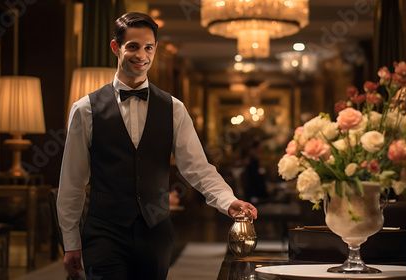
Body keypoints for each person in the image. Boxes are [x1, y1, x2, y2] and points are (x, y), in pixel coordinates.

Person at [56, 12, 257, 280]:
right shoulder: (84, 110)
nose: (142, 55)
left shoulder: (174, 108)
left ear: (156, 49)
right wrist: (71, 241)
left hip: (156, 233)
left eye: (148, 47)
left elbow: (197, 167)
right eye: (133, 46)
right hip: (104, 233)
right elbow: (72, 181)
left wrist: (228, 201)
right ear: (116, 48)